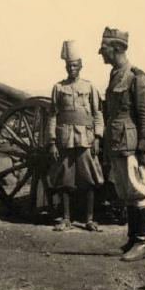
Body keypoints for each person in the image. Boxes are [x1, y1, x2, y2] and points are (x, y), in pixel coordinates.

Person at [100, 27, 145, 261]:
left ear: (116, 49)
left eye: (104, 48)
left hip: (132, 146)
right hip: (117, 144)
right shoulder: (116, 74)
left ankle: (143, 242)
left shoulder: (136, 76)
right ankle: (133, 239)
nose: (100, 52)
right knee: (126, 192)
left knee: (137, 191)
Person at [46, 40, 104, 231]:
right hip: (65, 139)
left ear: (80, 66)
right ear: (66, 66)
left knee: (88, 179)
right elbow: (53, 115)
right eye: (69, 65)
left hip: (85, 139)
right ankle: (66, 218)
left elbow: (97, 114)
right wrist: (52, 142)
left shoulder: (89, 87)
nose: (72, 69)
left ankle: (89, 219)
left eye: (75, 65)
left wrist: (97, 137)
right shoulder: (58, 88)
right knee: (65, 180)